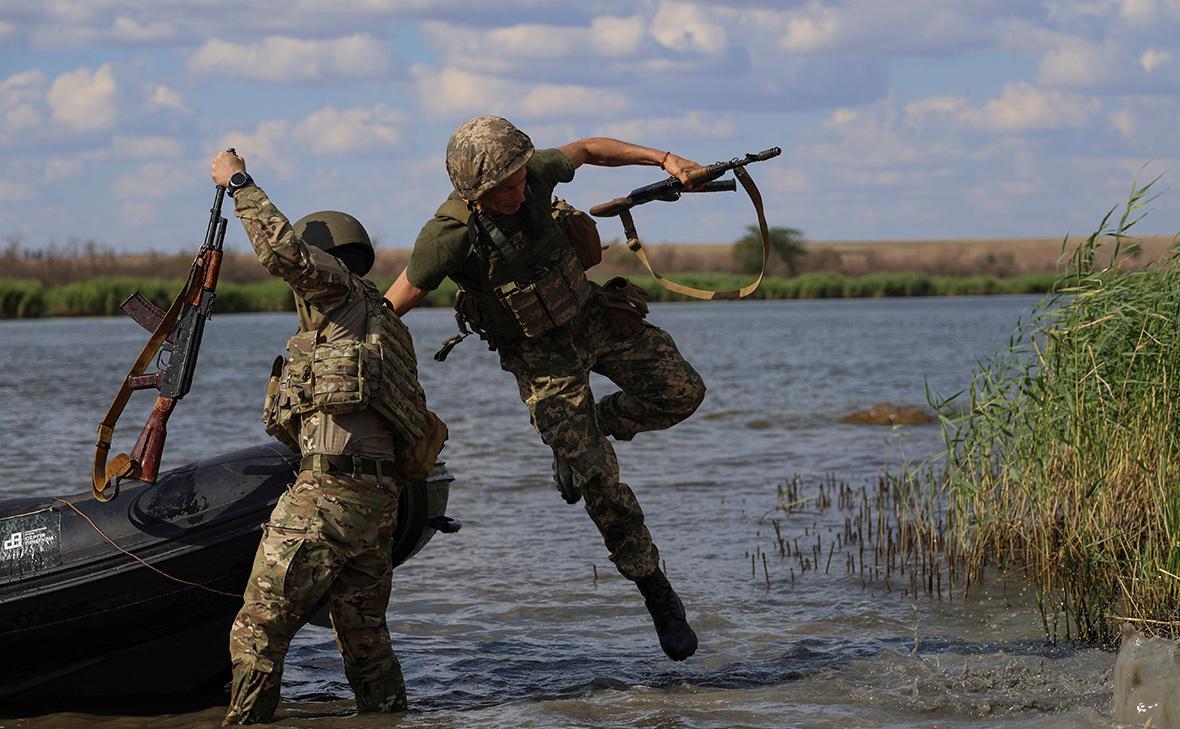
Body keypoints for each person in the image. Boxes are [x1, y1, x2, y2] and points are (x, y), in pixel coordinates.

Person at [384, 116, 707, 662]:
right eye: (502, 189)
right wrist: (341, 353)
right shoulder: (447, 237)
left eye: (520, 180)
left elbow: (587, 148)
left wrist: (666, 160)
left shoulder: (530, 173)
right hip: (540, 357)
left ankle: (588, 430)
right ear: (472, 192)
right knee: (600, 480)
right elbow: (393, 304)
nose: (518, 192)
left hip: (594, 317)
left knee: (682, 393)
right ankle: (657, 593)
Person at [210, 150, 445, 724]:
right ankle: (387, 718)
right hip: (378, 506)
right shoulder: (382, 321)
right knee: (365, 640)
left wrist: (238, 183)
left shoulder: (335, 290)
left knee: (257, 629)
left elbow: (282, 250)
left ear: (328, 261)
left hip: (329, 497)